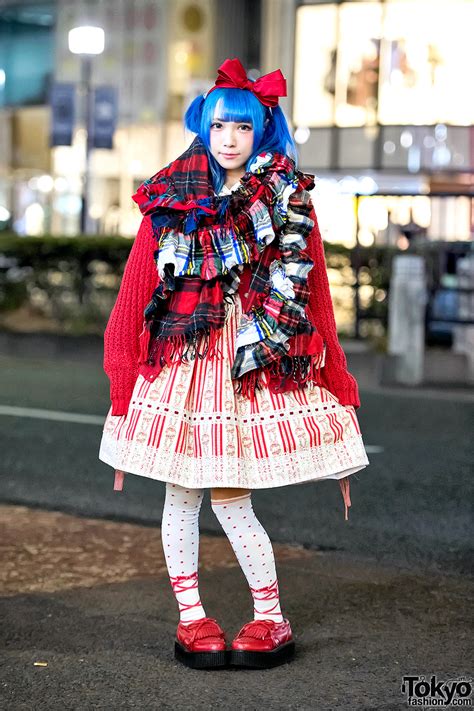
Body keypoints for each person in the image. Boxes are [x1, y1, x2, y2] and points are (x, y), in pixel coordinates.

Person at [98, 58, 370, 670]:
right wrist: (120, 370)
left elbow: (315, 292)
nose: (229, 139)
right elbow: (136, 290)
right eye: (220, 125)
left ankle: (271, 617)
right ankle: (192, 619)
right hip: (183, 357)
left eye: (243, 128)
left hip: (249, 356)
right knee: (180, 494)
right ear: (204, 125)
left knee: (231, 497)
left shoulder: (285, 197)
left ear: (261, 131)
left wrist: (337, 373)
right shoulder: (171, 194)